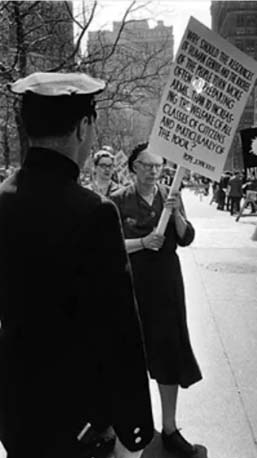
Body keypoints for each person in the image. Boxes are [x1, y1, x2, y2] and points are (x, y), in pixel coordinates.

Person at [0, 72, 154, 458]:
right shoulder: (94, 213)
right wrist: (133, 426)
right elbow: (120, 327)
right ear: (83, 127)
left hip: (15, 406)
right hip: (80, 417)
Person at [111, 143, 202, 458]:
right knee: (131, 357)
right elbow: (108, 245)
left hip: (166, 285)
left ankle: (170, 427)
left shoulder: (171, 196)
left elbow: (187, 237)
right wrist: (141, 242)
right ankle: (130, 428)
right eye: (147, 165)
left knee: (168, 355)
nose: (153, 171)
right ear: (134, 167)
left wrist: (176, 211)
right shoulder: (118, 200)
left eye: (158, 165)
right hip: (133, 285)